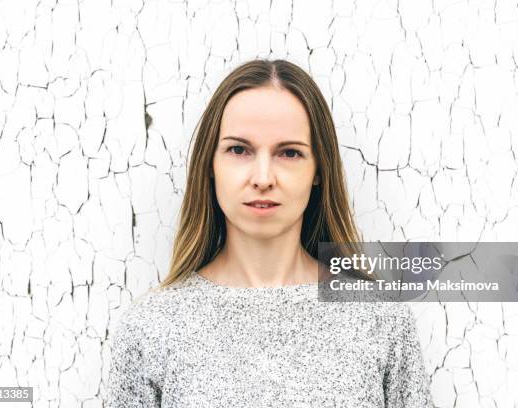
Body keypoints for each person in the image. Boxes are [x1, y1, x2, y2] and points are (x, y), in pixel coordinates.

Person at [106, 59, 433, 407]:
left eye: (289, 153)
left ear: (318, 170)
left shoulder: (381, 319)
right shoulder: (150, 328)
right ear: (210, 165)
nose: (263, 178)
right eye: (239, 150)